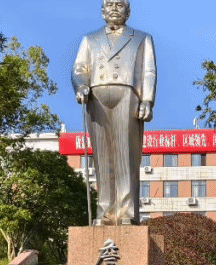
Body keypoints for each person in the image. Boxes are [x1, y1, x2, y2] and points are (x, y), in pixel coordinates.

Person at [72, 0, 156, 225]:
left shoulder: (141, 38)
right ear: (102, 11)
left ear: (128, 11)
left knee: (126, 155)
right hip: (96, 96)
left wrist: (147, 100)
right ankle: (105, 211)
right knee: (102, 158)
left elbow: (148, 71)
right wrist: (81, 86)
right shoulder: (90, 39)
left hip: (128, 95)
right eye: (109, 4)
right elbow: (79, 68)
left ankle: (127, 212)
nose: (115, 8)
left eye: (119, 4)